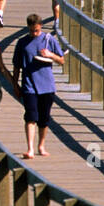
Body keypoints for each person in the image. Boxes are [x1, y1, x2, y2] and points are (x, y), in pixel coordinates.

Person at [12, 13, 67, 160]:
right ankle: (30, 149)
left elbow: (61, 60)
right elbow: (16, 66)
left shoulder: (49, 40)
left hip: (47, 86)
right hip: (29, 85)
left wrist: (50, 55)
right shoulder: (22, 43)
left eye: (36, 30)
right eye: (31, 30)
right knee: (30, 116)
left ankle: (41, 146)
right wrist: (15, 85)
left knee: (44, 118)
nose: (34, 33)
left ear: (40, 26)